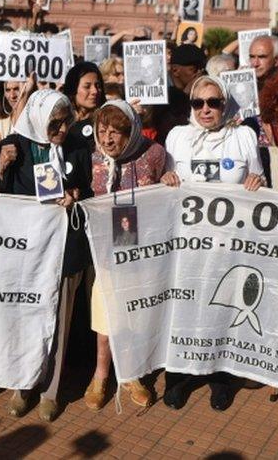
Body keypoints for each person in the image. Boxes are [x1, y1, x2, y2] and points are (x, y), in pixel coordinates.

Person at [159, 76, 263, 411]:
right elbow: (167, 181)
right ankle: (177, 376)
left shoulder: (244, 136)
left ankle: (221, 377)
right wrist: (166, 179)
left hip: (230, 243)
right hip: (187, 243)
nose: (205, 109)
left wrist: (255, 181)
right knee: (185, 307)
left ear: (225, 103)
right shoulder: (177, 136)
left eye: (214, 102)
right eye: (198, 103)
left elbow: (260, 181)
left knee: (225, 307)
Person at [0, 89, 93, 422]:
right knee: (27, 320)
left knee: (60, 321)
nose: (62, 129)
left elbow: (90, 190)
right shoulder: (14, 147)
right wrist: (1, 170)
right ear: (37, 118)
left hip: (66, 249)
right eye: (54, 122)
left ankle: (51, 390)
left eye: (66, 121)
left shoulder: (78, 147)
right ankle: (24, 385)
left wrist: (77, 193)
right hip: (28, 253)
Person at [84, 100, 166, 411]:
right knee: (106, 319)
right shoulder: (93, 158)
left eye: (116, 132)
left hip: (143, 251)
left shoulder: (154, 153)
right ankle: (101, 376)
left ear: (130, 132)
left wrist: (170, 180)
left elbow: (167, 187)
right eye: (102, 131)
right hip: (107, 253)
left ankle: (132, 374)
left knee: (135, 314)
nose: (107, 139)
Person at [63, 62, 106, 151]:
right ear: (73, 89)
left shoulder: (105, 119)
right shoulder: (61, 121)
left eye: (98, 86)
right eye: (87, 86)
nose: (95, 91)